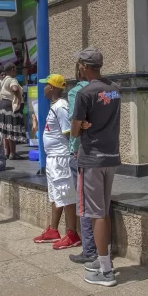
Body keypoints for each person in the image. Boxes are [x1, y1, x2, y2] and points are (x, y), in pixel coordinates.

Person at [71, 47, 122, 287]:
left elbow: (73, 129)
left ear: (84, 66)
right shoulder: (115, 89)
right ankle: (104, 258)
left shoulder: (85, 93)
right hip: (111, 156)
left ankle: (106, 270)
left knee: (95, 213)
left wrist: (81, 126)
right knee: (104, 209)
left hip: (91, 157)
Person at [33, 74, 81, 250]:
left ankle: (72, 233)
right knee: (56, 194)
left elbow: (68, 132)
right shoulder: (55, 106)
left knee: (66, 194)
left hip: (61, 158)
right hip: (53, 159)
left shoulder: (61, 107)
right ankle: (53, 229)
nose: (43, 87)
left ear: (52, 88)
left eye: (46, 85)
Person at [68, 63, 96, 264]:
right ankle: (103, 247)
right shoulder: (107, 90)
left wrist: (80, 126)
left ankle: (89, 249)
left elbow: (75, 121)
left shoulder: (77, 92)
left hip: (80, 152)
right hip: (102, 152)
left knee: (84, 204)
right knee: (100, 205)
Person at [0, 61, 26, 159]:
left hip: (3, 106)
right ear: (12, 69)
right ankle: (13, 153)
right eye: (16, 69)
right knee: (11, 131)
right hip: (10, 107)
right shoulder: (12, 80)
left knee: (7, 132)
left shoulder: (4, 80)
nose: (17, 71)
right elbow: (14, 88)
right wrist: (18, 97)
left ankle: (8, 152)